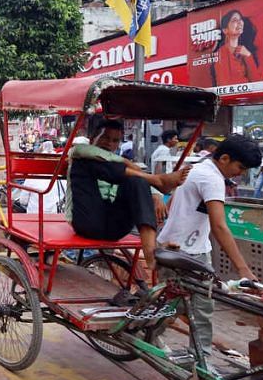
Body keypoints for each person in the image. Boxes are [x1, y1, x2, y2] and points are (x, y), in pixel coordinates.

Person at [157, 135, 261, 358]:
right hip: (185, 252)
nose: (240, 173)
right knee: (192, 307)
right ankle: (199, 358)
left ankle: (196, 356)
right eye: (240, 167)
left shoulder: (199, 167)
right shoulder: (211, 179)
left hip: (183, 248)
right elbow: (220, 226)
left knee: (182, 305)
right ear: (224, 158)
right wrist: (242, 268)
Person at [64, 118, 188, 281]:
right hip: (86, 221)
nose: (109, 143)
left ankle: (151, 252)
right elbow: (81, 150)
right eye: (105, 137)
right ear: (93, 136)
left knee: (136, 181)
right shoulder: (80, 152)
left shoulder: (124, 168)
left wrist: (156, 194)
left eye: (115, 140)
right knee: (86, 163)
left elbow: (137, 184)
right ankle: (158, 180)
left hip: (115, 227)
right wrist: (147, 175)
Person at [214, 10, 259, 86]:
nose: (239, 22)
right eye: (234, 20)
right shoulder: (221, 53)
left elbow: (257, 81)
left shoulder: (245, 50)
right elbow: (225, 83)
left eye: (240, 19)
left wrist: (248, 55)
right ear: (225, 30)